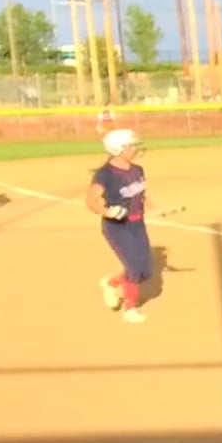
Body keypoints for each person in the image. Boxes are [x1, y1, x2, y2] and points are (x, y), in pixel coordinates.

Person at [85, 128, 157, 325]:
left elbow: (140, 195)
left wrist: (155, 208)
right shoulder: (105, 174)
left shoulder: (137, 170)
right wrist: (107, 212)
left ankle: (110, 283)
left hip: (137, 224)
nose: (135, 149)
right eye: (130, 146)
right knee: (134, 268)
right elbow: (91, 201)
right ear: (118, 149)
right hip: (117, 226)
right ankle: (129, 308)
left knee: (145, 271)